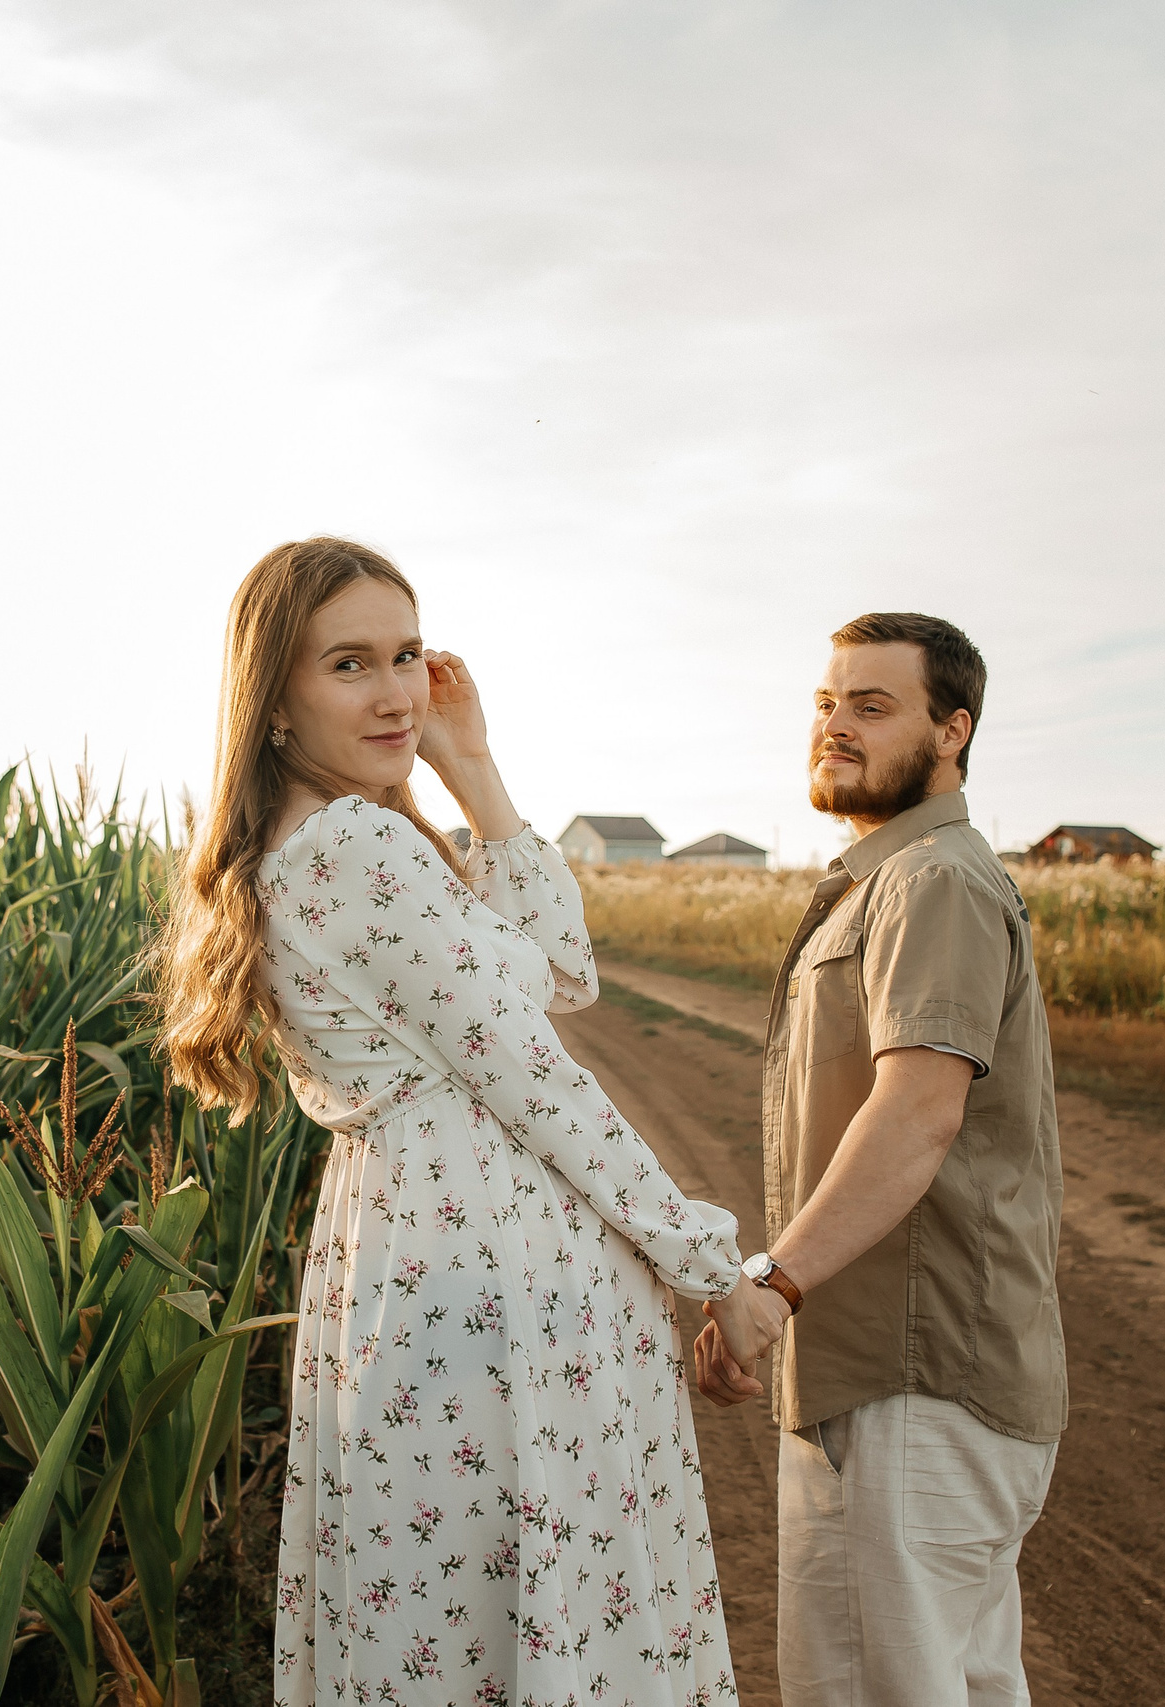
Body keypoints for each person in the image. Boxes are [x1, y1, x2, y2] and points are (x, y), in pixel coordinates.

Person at [159, 537, 760, 1707]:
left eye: (406, 654)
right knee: (540, 1607)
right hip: (493, 1275)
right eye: (347, 664)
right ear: (272, 702)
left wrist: (471, 764)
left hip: (414, 1260)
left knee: (455, 1611)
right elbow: (542, 1080)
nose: (393, 693)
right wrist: (708, 1264)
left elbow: (562, 973)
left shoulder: (325, 844)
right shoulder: (358, 847)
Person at [705, 613, 1067, 1707]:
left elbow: (915, 1114)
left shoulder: (931, 882)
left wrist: (773, 1281)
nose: (835, 726)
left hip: (912, 1378)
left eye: (872, 705)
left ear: (950, 733)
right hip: (894, 1374)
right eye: (826, 702)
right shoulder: (885, 879)